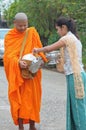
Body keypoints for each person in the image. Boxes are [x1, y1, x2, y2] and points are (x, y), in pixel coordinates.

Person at [33, 16, 86, 130]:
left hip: (75, 75)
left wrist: (38, 50)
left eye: (58, 29)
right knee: (74, 105)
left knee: (78, 107)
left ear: (64, 27)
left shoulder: (67, 38)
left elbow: (49, 48)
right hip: (76, 74)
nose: (57, 32)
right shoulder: (74, 38)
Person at [3, 12, 47, 130]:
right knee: (20, 100)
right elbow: (8, 56)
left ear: (28, 23)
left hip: (33, 74)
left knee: (33, 99)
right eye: (20, 26)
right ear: (15, 24)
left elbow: (39, 49)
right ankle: (21, 126)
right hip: (19, 75)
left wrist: (41, 60)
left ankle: (32, 125)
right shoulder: (10, 36)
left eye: (25, 25)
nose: (23, 28)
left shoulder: (32, 33)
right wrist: (18, 62)